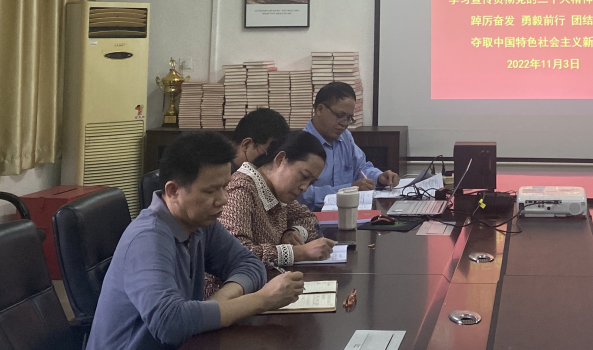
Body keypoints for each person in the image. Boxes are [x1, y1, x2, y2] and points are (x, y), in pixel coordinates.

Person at [87, 132, 304, 350]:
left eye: (225, 186)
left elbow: (249, 264)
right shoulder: (148, 238)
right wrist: (263, 300)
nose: (223, 199)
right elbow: (169, 323)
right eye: (210, 191)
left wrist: (219, 301)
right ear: (173, 190)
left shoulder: (200, 223)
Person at [207, 131, 337, 295]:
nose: (304, 187)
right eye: (303, 176)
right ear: (280, 159)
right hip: (230, 296)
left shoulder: (277, 192)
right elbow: (237, 255)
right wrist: (296, 252)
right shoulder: (241, 188)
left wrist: (294, 232)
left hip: (266, 289)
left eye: (311, 183)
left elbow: (309, 220)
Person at [298, 81, 400, 210]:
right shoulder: (301, 144)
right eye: (340, 116)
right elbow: (302, 195)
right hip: (313, 216)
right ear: (320, 110)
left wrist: (379, 178)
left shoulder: (345, 137)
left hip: (349, 212)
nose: (344, 123)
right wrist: (348, 190)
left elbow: (361, 168)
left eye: (349, 118)